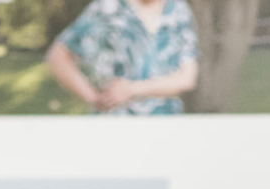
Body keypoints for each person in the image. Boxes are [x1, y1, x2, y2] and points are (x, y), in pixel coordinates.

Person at [46, 0, 198, 114]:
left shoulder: (178, 10)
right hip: (114, 125)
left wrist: (131, 89)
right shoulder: (108, 8)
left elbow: (187, 79)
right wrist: (92, 97)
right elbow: (58, 55)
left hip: (165, 126)